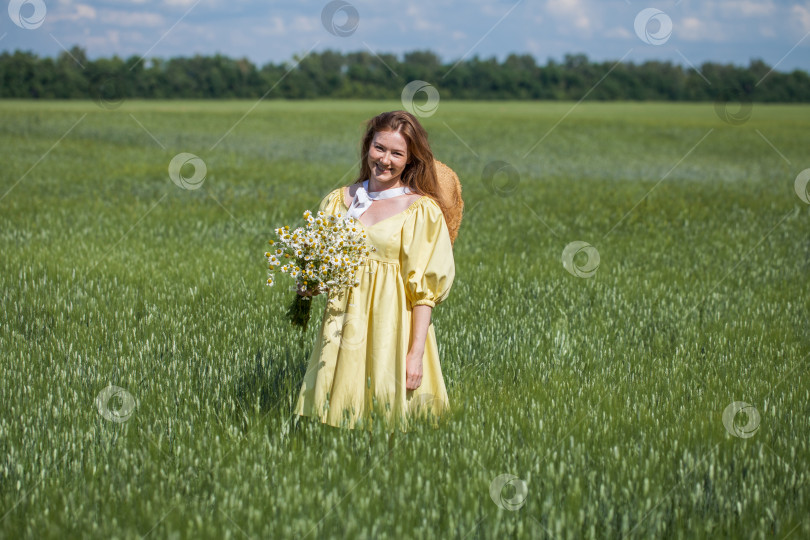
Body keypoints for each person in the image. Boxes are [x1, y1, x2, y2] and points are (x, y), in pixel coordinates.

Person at [292, 110, 462, 433]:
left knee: (390, 420)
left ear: (410, 160)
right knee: (338, 415)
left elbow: (423, 290)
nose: (385, 160)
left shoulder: (421, 210)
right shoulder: (337, 202)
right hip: (343, 323)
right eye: (379, 148)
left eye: (397, 153)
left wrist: (415, 353)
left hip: (392, 326)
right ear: (368, 146)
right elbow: (322, 268)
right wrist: (308, 285)